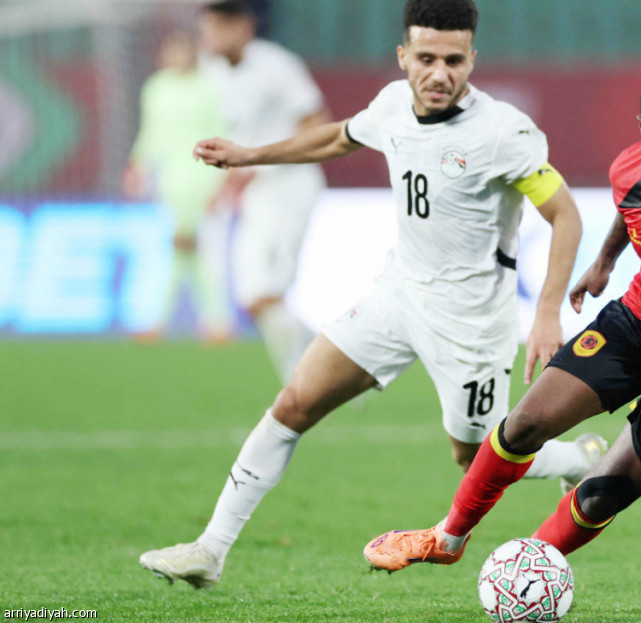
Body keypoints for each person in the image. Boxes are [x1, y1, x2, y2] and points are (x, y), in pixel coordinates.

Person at [138, 0, 607, 589]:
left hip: (470, 323)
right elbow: (337, 138)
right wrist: (249, 155)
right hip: (398, 295)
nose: (440, 73)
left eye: (454, 60)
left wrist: (545, 315)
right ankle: (210, 550)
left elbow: (565, 215)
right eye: (427, 58)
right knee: (294, 403)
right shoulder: (390, 105)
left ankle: (580, 459)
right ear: (404, 56)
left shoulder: (502, 132)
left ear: (472, 59)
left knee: (475, 454)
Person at [362, 72, 641, 572]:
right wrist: (604, 261)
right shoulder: (629, 167)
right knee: (524, 425)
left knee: (599, 496)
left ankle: (520, 573)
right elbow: (631, 208)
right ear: (640, 130)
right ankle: (448, 537)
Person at [198, 0, 328, 382]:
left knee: (267, 292)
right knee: (253, 296)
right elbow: (240, 134)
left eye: (219, 25)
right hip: (256, 192)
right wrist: (228, 181)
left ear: (243, 26)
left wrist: (262, 161)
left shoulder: (277, 66)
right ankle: (331, 370)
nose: (209, 35)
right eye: (207, 26)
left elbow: (316, 122)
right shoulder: (211, 70)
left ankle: (307, 381)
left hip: (290, 185)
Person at [123, 31, 232, 342]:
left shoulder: (209, 86)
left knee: (194, 248)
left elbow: (223, 129)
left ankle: (168, 321)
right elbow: (151, 132)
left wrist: (224, 179)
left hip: (203, 177)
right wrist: (138, 165)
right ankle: (215, 322)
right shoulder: (155, 87)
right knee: (185, 249)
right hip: (170, 181)